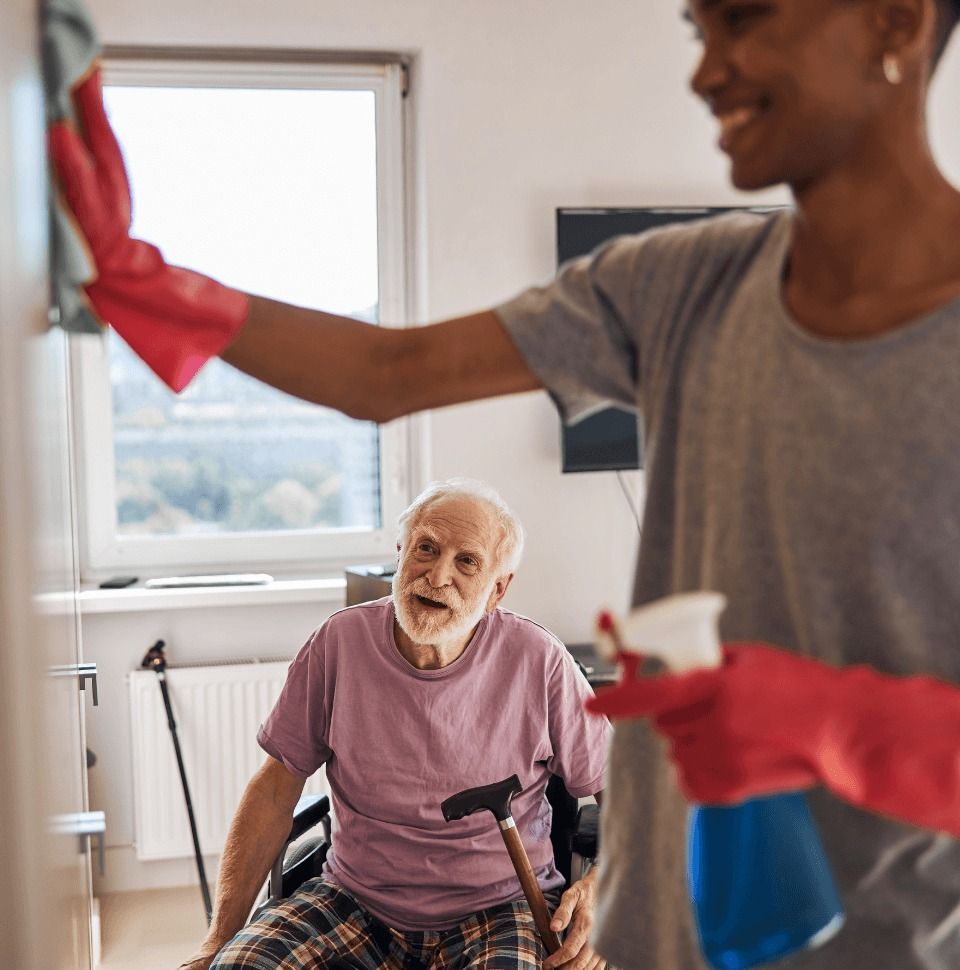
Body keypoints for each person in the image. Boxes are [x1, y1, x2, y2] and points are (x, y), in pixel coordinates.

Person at [49, 0, 960, 967]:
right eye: (701, 32)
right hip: (677, 917)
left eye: (742, 18)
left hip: (889, 922)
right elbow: (386, 373)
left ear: (894, 23)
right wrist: (136, 276)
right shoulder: (688, 283)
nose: (705, 75)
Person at [178, 480, 610, 970]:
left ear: (497, 589)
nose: (437, 574)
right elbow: (276, 788)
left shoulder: (539, 661)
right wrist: (217, 940)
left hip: (498, 906)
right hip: (355, 900)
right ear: (401, 554)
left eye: (466, 561)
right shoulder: (339, 643)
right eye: (426, 548)